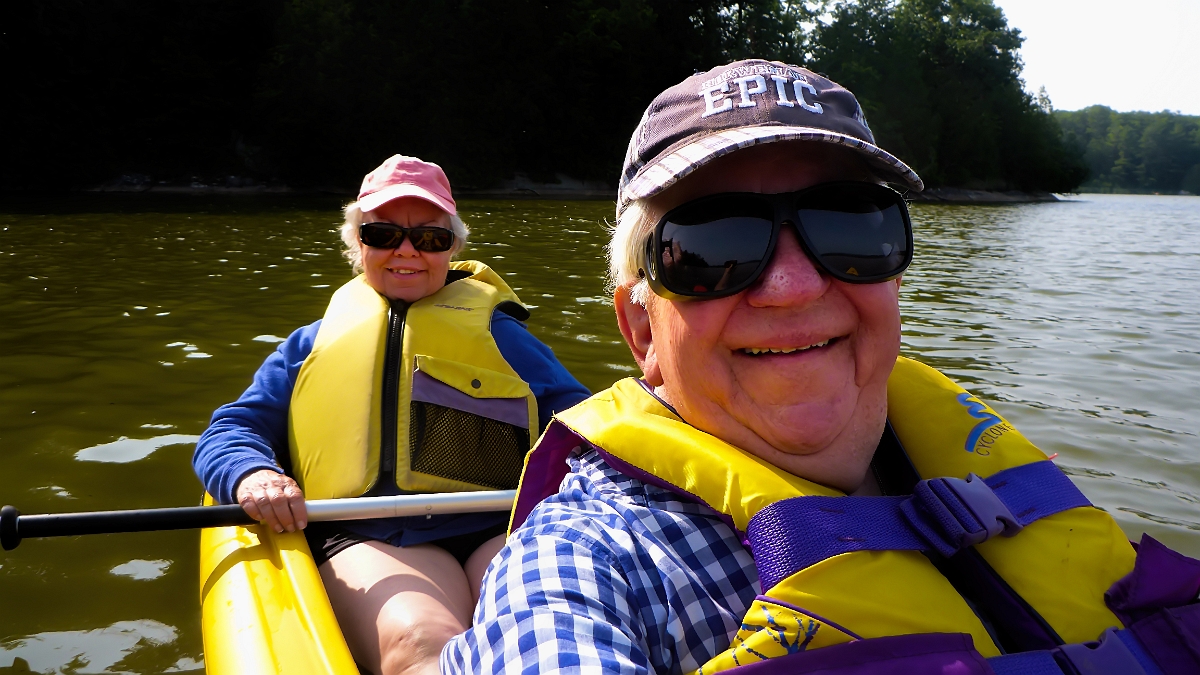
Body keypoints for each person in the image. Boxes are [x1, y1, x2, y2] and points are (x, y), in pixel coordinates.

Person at [442, 60, 1200, 674]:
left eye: (849, 227)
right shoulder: (593, 562)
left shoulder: (988, 469)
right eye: (711, 247)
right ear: (642, 329)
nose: (794, 285)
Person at [193, 154, 590, 675]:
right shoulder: (311, 345)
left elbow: (585, 425)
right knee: (420, 642)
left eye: (430, 238)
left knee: (546, 635)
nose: (406, 251)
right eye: (383, 235)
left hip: (498, 523)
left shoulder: (505, 337)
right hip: (371, 533)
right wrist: (253, 474)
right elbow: (231, 429)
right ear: (357, 245)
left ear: (452, 248)